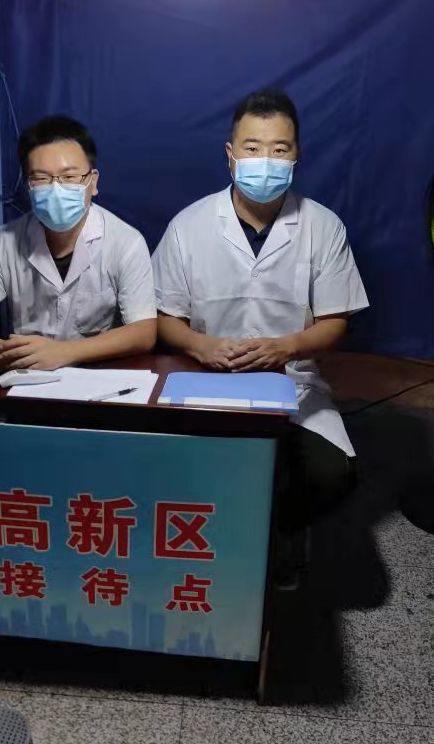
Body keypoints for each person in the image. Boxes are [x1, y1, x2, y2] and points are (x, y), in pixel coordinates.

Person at [152, 89, 369, 587]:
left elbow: (336, 321)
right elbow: (164, 318)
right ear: (230, 154)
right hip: (206, 380)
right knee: (175, 465)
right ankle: (207, 546)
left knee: (330, 474)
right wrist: (201, 346)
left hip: (291, 385)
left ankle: (283, 538)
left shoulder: (323, 227)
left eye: (278, 149)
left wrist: (286, 347)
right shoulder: (189, 225)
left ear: (296, 156)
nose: (265, 161)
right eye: (252, 148)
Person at [0, 115, 156, 369]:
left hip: (97, 374)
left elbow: (143, 332)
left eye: (69, 177)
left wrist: (65, 352)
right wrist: (0, 352)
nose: (56, 189)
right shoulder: (0, 242)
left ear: (93, 182)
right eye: (42, 178)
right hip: (25, 374)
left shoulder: (125, 242)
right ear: (28, 186)